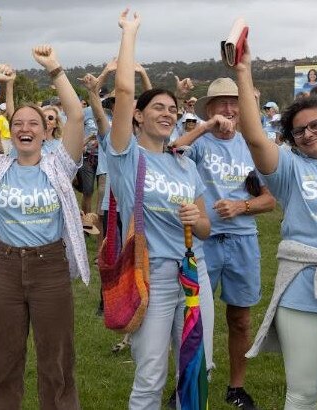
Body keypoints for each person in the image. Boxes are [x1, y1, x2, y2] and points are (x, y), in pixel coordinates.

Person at [0, 45, 89, 409]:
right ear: (11, 131)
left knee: (57, 361)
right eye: (18, 123)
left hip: (50, 267)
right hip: (5, 268)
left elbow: (77, 116)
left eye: (34, 123)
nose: (25, 128)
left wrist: (54, 69)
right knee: (4, 360)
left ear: (46, 131)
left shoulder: (60, 165)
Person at [108, 10, 214, 409]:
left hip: (193, 273)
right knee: (151, 374)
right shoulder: (126, 158)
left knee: (197, 367)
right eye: (158, 107)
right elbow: (121, 91)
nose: (168, 113)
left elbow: (205, 228)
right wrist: (130, 33)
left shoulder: (185, 163)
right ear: (137, 114)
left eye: (173, 109)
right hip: (150, 277)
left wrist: (196, 219)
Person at [234, 40, 317, 410]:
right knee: (302, 394)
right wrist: (242, 72)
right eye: (299, 130)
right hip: (302, 291)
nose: (309, 133)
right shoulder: (290, 168)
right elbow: (253, 137)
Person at [173, 76, 276, 410]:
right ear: (210, 108)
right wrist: (203, 128)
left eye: (235, 103)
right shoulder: (201, 142)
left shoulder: (254, 144)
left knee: (240, 319)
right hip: (204, 242)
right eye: (221, 104)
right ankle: (188, 385)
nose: (229, 110)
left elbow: (270, 200)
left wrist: (241, 206)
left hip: (243, 241)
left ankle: (236, 387)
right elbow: (171, 152)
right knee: (193, 319)